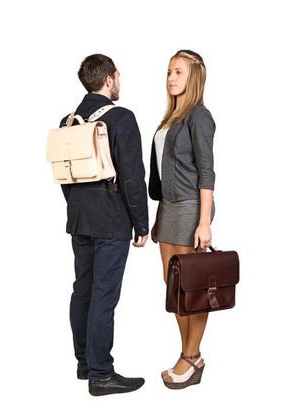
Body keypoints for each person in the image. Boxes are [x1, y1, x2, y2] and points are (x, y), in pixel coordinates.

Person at [58, 54, 149, 396]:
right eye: (117, 76)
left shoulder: (68, 122)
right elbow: (132, 177)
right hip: (112, 220)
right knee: (103, 295)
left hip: (79, 218)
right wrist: (141, 223)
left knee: (82, 290)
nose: (119, 82)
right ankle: (101, 374)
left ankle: (84, 363)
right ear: (108, 79)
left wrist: (78, 206)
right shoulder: (121, 118)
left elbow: (65, 176)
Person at [148, 50, 216, 389]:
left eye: (178, 72)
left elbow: (207, 171)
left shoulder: (199, 116)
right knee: (175, 288)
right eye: (169, 72)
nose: (171, 78)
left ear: (194, 77)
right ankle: (189, 355)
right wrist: (157, 215)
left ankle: (191, 357)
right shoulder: (170, 118)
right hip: (168, 208)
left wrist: (204, 222)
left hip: (190, 208)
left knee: (193, 288)